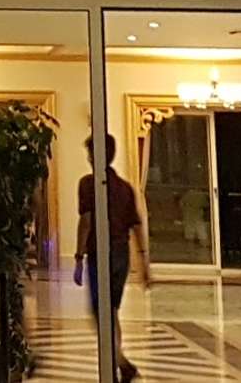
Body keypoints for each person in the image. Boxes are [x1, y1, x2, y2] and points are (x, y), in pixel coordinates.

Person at [75, 136, 151, 383]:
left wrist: (78, 257)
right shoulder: (125, 188)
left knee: (101, 314)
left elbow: (86, 222)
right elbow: (136, 226)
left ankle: (119, 363)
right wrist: (144, 262)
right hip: (121, 253)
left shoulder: (88, 184)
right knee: (111, 311)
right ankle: (119, 363)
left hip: (100, 253)